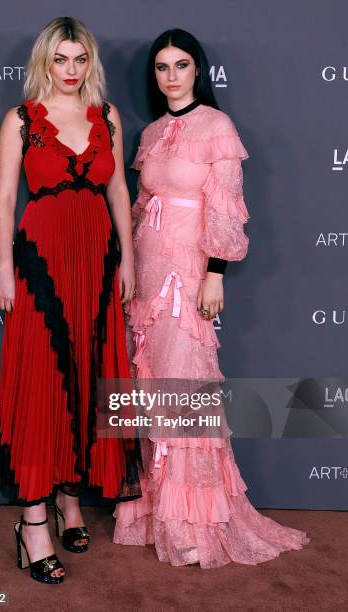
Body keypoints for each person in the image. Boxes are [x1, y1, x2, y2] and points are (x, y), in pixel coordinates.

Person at [113, 28, 310, 568]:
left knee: (187, 389)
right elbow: (137, 207)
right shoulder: (151, 133)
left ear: (197, 70)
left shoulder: (217, 127)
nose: (171, 75)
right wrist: (128, 268)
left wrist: (215, 273)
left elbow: (225, 207)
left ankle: (196, 519)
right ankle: (158, 512)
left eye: (180, 65)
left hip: (187, 273)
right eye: (161, 67)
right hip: (148, 280)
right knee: (153, 388)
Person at [0, 16, 140, 584]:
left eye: (80, 60)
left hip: (97, 262)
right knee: (40, 383)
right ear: (45, 62)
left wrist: (127, 257)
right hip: (40, 264)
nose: (71, 71)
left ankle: (70, 501)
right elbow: (6, 197)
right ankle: (33, 523)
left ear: (90, 63)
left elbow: (118, 188)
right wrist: (5, 268)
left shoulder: (108, 117)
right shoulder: (22, 119)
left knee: (86, 376)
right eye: (61, 60)